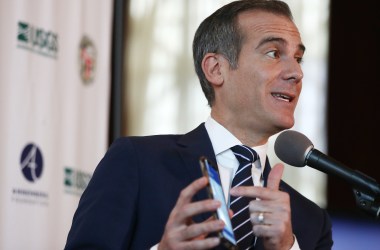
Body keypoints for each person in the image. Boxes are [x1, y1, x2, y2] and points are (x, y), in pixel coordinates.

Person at [65, 0, 333, 249]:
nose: (296, 73)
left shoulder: (310, 221)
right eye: (274, 53)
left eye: (298, 58)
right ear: (216, 69)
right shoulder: (137, 162)